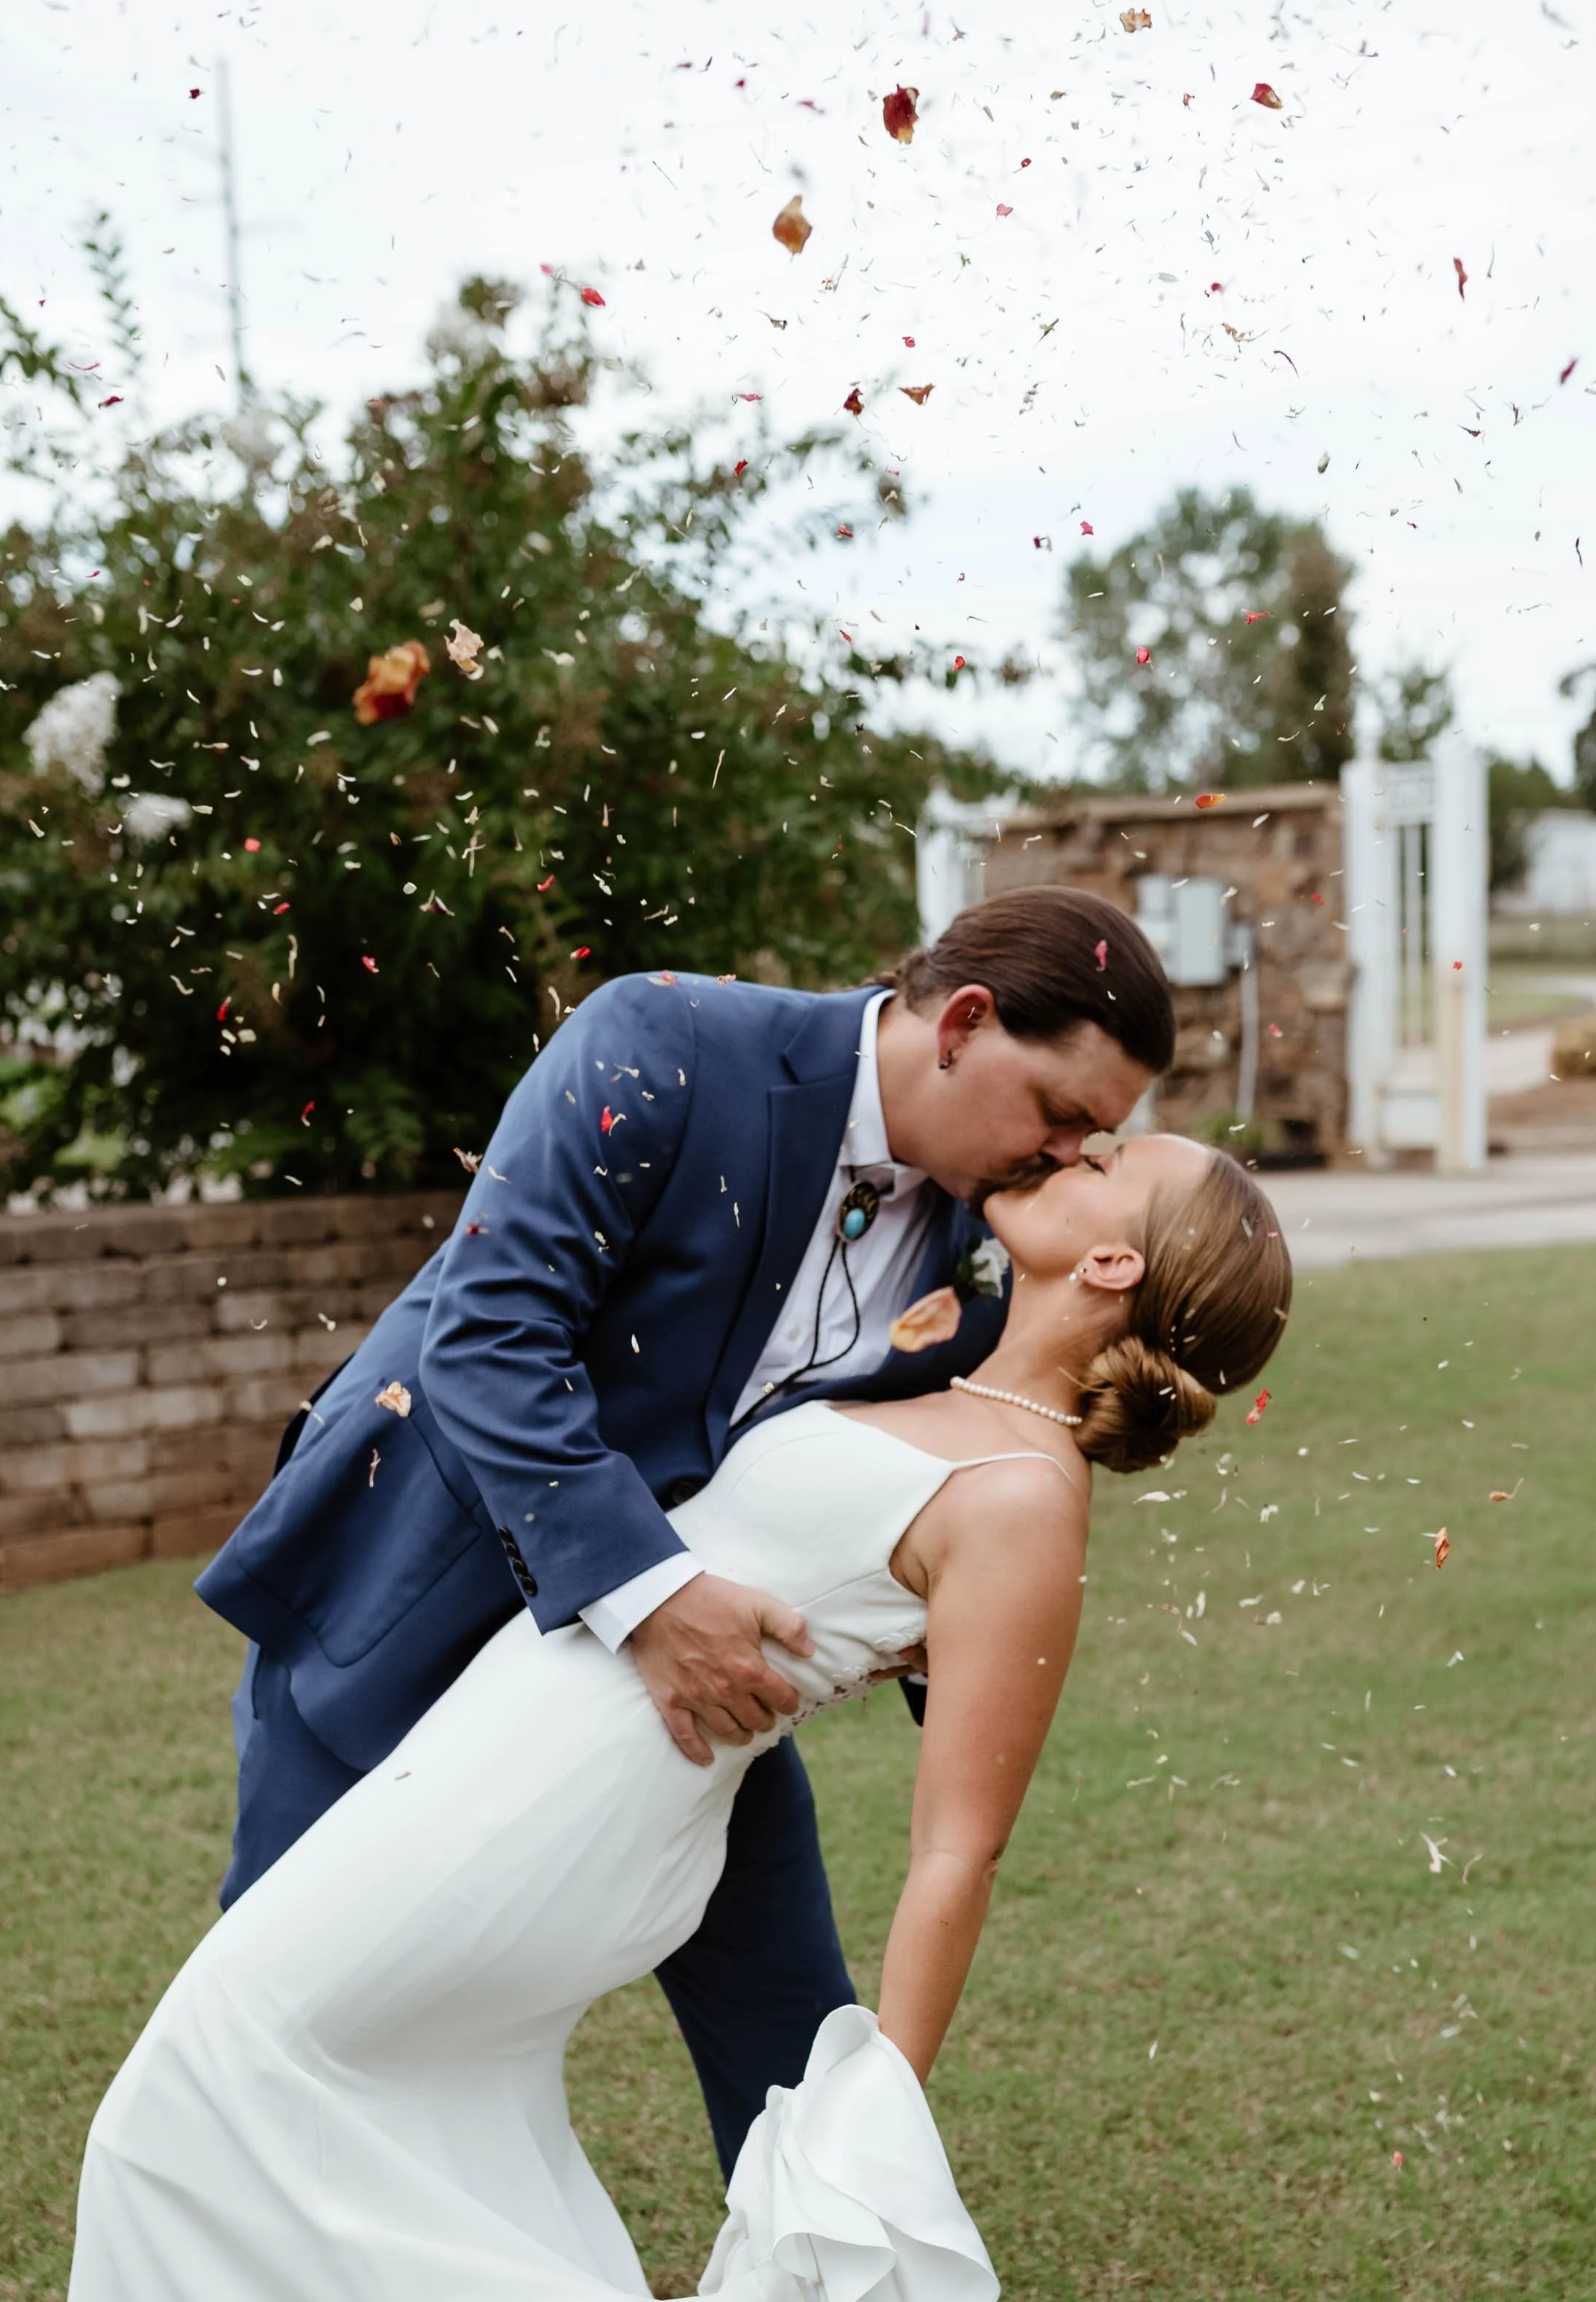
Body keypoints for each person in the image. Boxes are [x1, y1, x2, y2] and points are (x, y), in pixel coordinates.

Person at [53, 1134, 1292, 2302]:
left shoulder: (1025, 1500)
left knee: (190, 2088)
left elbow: (958, 1851)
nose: (1075, 1142)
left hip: (565, 1809)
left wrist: (884, 2101)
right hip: (501, 1742)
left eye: (1112, 1158)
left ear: (1112, 1258)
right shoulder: (940, 1367)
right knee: (429, 2135)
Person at [196, 887, 1175, 2176]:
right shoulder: (661, 1042)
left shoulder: (979, 1244)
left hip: (691, 1703)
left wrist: (939, 1630)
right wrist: (654, 1599)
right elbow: (488, 1334)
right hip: (413, 1602)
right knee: (272, 2035)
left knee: (791, 2044)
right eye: (1059, 1117)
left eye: (1092, 1143)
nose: (1062, 1161)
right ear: (967, 1023)